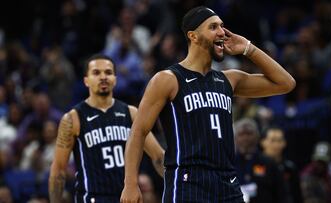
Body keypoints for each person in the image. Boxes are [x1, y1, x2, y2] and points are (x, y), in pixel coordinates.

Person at [121, 6, 295, 203]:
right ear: (193, 36)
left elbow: (286, 83)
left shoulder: (229, 79)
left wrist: (248, 48)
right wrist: (130, 184)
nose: (222, 32)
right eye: (213, 27)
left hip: (227, 182)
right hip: (189, 182)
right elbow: (138, 132)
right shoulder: (168, 79)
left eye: (222, 26)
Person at [48, 54, 164, 203]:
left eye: (108, 72)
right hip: (92, 198)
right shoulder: (73, 118)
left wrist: (178, 184)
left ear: (115, 79)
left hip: (126, 198)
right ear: (86, 81)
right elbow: (58, 169)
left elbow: (158, 157)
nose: (103, 77)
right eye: (96, 73)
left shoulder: (131, 113)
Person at [234, 119, 285, 203]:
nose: (245, 138)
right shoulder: (229, 164)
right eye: (241, 134)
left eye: (249, 133)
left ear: (257, 136)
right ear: (235, 138)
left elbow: (281, 194)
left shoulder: (269, 163)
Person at [261, 126, 303, 203]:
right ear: (263, 142)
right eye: (272, 140)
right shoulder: (256, 165)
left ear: (284, 143)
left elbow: (297, 196)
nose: (276, 145)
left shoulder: (290, 168)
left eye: (279, 140)